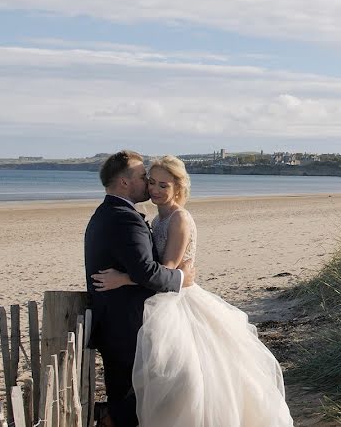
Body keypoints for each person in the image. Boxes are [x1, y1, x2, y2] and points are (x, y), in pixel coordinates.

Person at [92, 155, 293, 427]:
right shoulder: (154, 218)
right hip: (162, 297)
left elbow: (168, 268)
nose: (154, 189)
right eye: (150, 182)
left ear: (178, 187)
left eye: (163, 185)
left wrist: (125, 278)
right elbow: (160, 272)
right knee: (168, 377)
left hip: (178, 300)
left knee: (186, 376)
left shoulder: (178, 218)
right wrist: (158, 276)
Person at [85, 150, 196, 427]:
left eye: (160, 183)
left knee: (154, 387)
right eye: (145, 178)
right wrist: (182, 278)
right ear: (125, 183)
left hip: (131, 317)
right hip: (125, 322)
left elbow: (152, 268)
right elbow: (148, 271)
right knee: (134, 393)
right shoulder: (125, 217)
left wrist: (125, 278)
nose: (149, 184)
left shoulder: (111, 213)